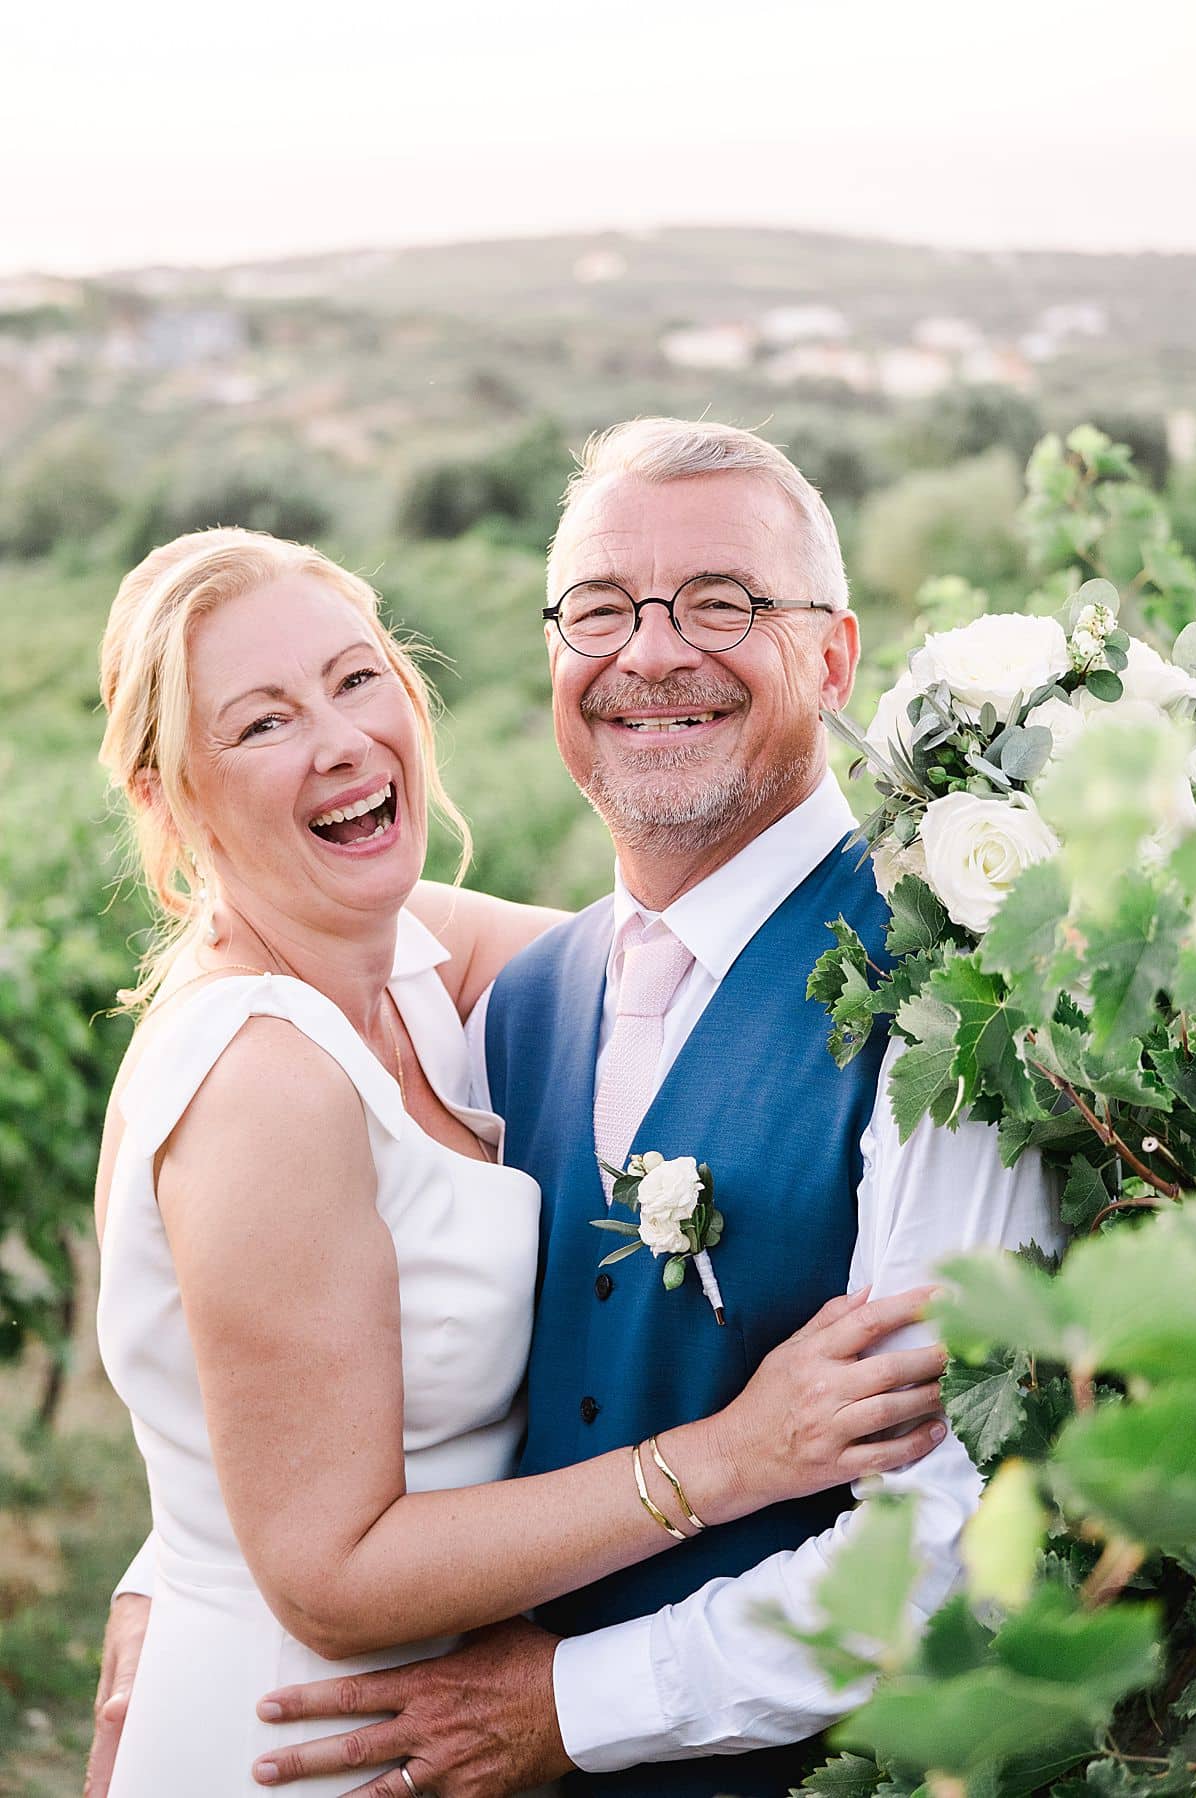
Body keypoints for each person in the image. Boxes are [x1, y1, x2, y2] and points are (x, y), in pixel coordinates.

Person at [87, 522, 950, 1797]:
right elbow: (325, 1577)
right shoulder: (262, 1076)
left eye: (355, 678)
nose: (339, 741)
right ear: (168, 797)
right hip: (309, 1738)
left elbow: (693, 946)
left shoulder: (414, 954)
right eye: (260, 724)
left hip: (444, 1729)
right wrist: (731, 1458)